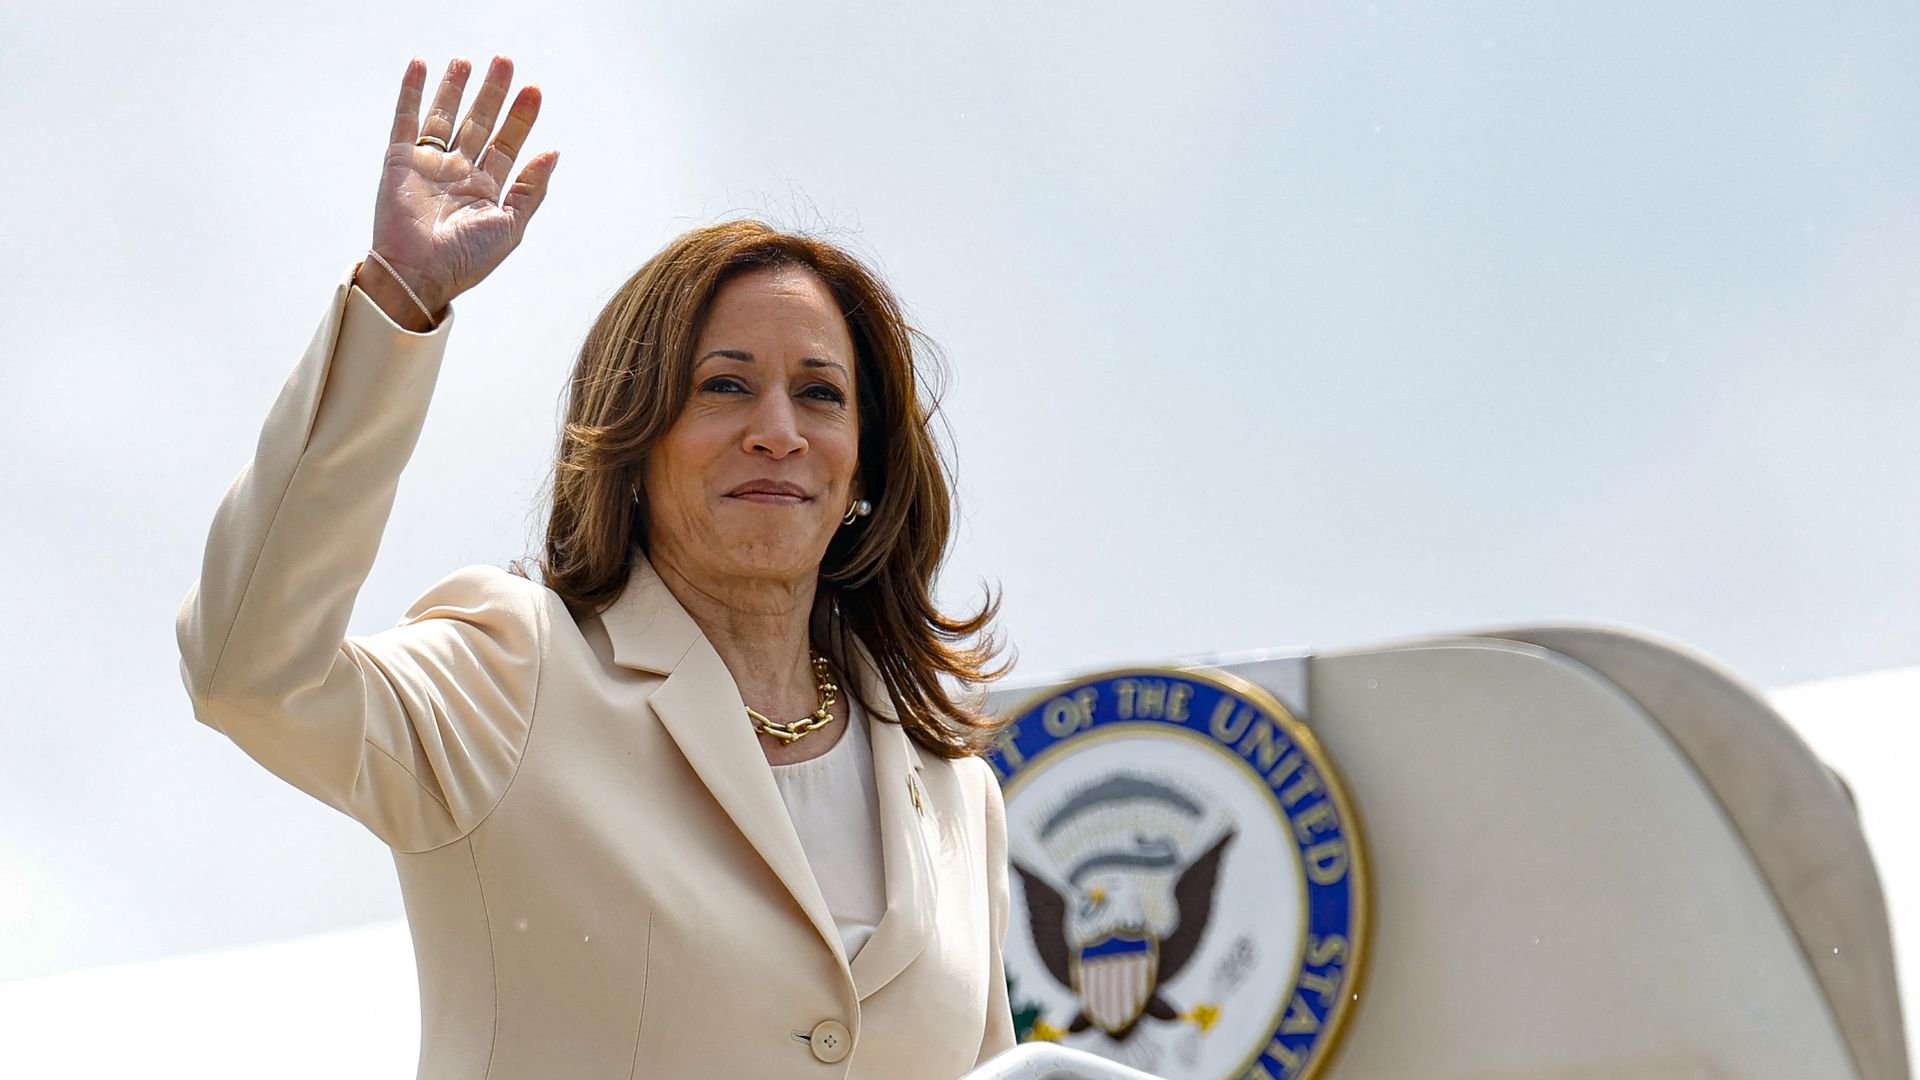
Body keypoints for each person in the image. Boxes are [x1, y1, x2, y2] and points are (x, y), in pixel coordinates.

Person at [175, 54, 1017, 1079]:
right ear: (634, 437)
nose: (777, 430)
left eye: (822, 394)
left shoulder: (959, 797)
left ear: (865, 468)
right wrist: (397, 301)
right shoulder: (515, 674)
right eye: (724, 385)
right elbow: (249, 672)